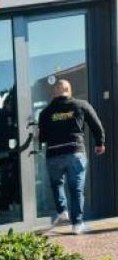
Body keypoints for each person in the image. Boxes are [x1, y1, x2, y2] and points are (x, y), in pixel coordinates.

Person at [38, 79, 106, 234]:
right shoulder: (81, 105)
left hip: (54, 154)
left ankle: (62, 211)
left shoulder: (45, 113)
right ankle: (77, 224)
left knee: (57, 184)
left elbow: (42, 138)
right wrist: (100, 143)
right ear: (69, 90)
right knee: (76, 189)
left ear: (54, 92)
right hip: (75, 152)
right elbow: (96, 124)